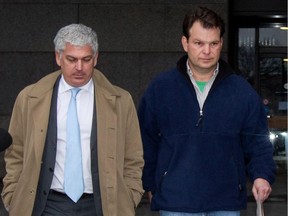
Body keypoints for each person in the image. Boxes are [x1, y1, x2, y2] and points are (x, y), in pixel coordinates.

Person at [138, 6, 275, 216]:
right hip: (175, 202)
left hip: (225, 203)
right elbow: (145, 139)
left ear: (221, 44)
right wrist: (150, 184)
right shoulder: (160, 89)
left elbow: (258, 141)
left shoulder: (242, 92)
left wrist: (262, 175)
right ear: (185, 43)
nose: (207, 51)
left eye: (213, 43)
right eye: (199, 43)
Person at [2, 23, 144, 216]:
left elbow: (133, 156)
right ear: (58, 57)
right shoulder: (30, 98)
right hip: (45, 204)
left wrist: (129, 196)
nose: (79, 67)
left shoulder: (120, 100)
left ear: (96, 58)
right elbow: (16, 151)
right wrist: (12, 194)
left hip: (102, 206)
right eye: (72, 59)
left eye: (86, 59)